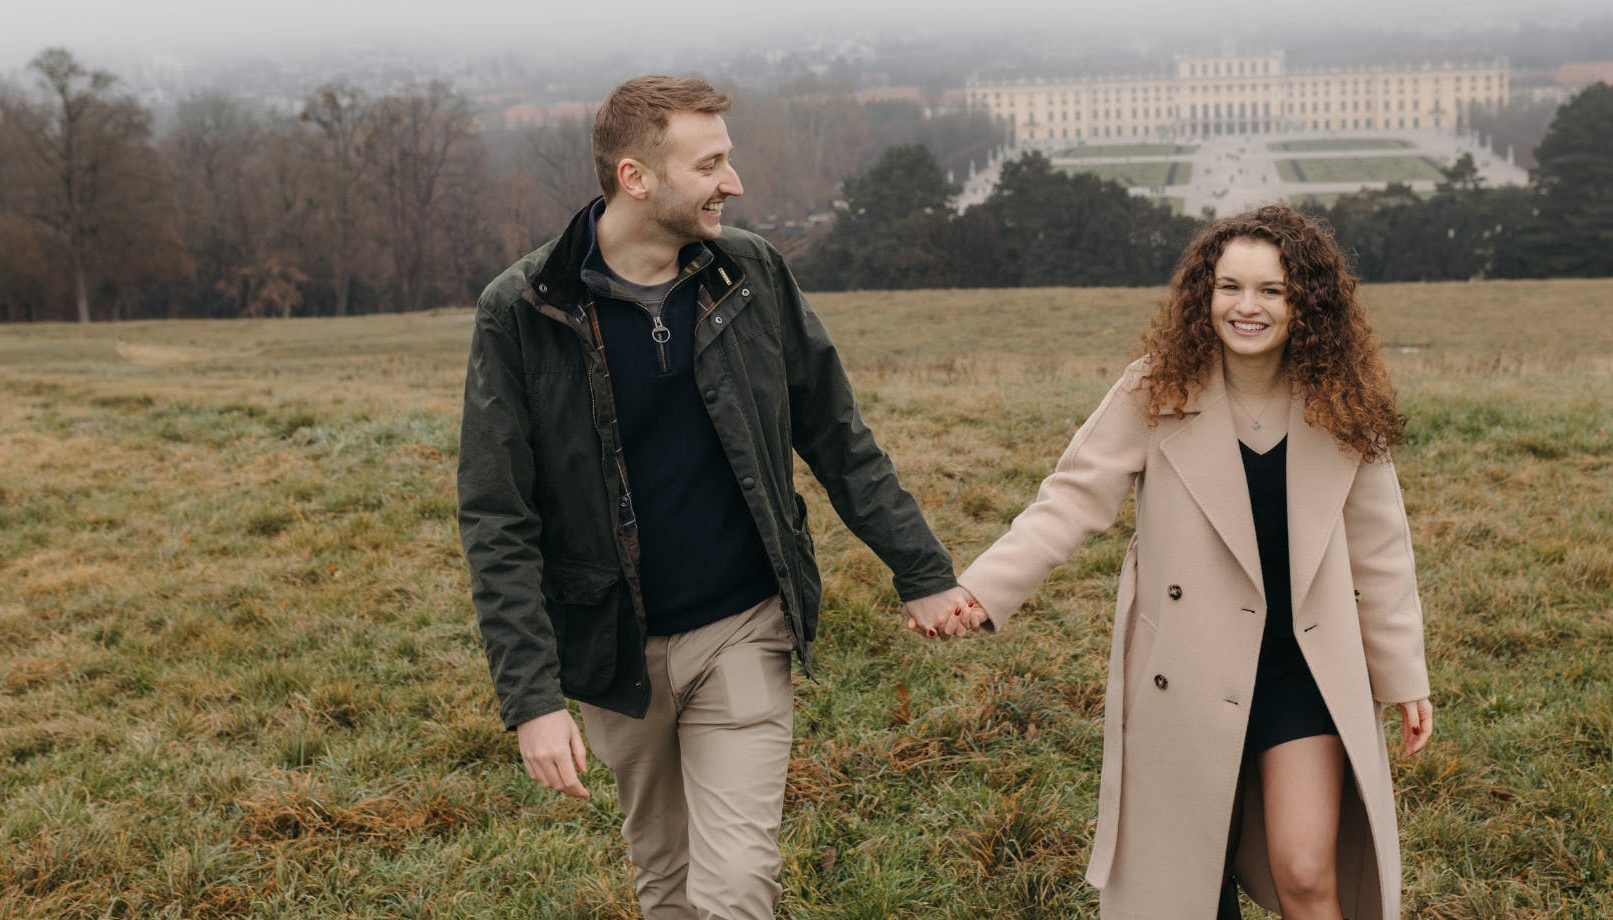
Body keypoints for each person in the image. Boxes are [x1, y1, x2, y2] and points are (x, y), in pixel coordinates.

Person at [456, 74, 979, 920]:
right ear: (636, 178)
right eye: (711, 165)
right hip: (614, 652)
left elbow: (837, 434)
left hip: (742, 626)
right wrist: (532, 700)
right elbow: (496, 517)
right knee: (666, 887)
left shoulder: (752, 274)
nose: (733, 183)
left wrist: (922, 571)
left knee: (735, 889)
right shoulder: (522, 310)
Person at [957, 205, 1434, 920]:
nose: (1247, 307)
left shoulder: (1341, 399)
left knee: (1307, 873)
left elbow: (1380, 550)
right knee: (1184, 889)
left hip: (1303, 670)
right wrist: (980, 591)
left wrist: (1403, 676)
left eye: (1271, 290)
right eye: (1229, 287)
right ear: (1202, 296)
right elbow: (1070, 501)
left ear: (1306, 300)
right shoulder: (1155, 389)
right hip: (1187, 668)